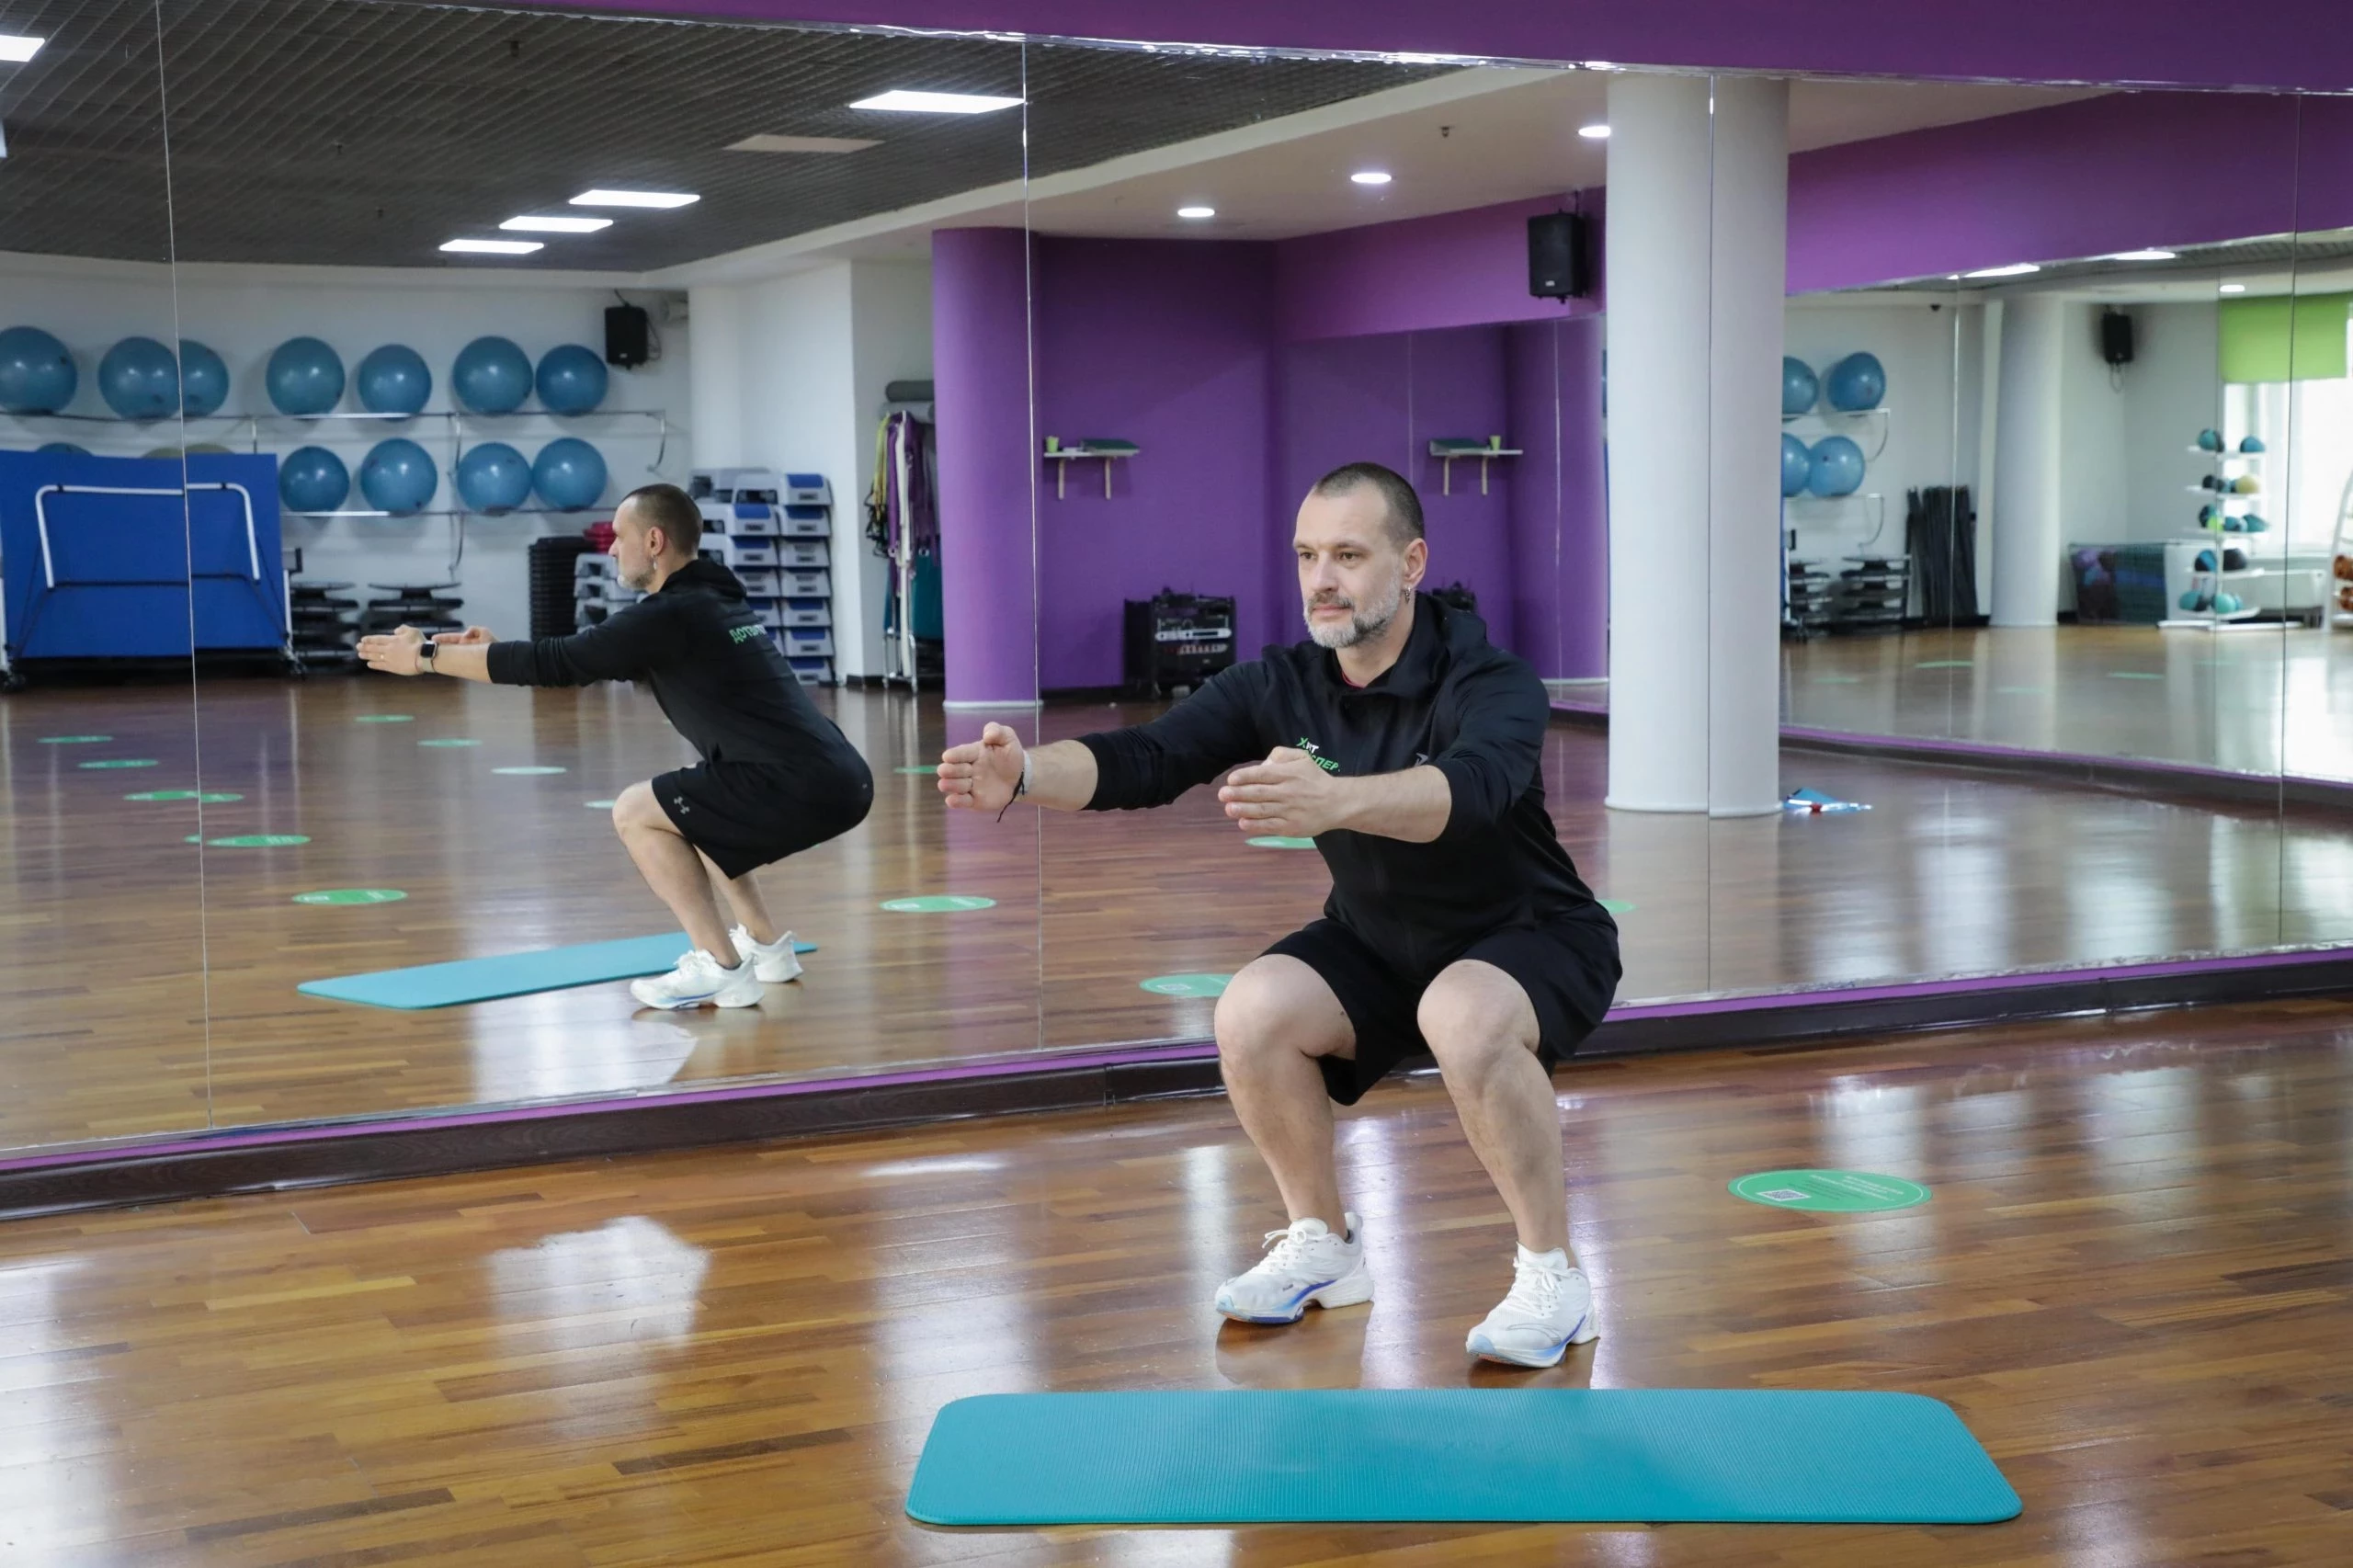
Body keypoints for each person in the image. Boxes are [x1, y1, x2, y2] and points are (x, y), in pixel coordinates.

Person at [936, 461, 1620, 1368]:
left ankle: (1552, 1274)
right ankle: (1322, 1245)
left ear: (1412, 562)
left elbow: (1471, 791)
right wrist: (1025, 773)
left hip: (1529, 933)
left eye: (1348, 555)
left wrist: (1335, 800)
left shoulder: (1491, 680)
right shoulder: (1282, 683)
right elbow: (1149, 756)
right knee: (1252, 1010)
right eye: (1306, 555)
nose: (1321, 579)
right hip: (1382, 940)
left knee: (1462, 1011)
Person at [358, 483, 873, 1010]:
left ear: (653, 541)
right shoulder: (710, 600)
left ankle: (721, 968)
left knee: (635, 811)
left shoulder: (668, 616)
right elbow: (571, 656)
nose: (611, 549)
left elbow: (556, 663)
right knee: (690, 805)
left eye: (620, 537)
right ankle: (766, 950)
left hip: (801, 783)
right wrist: (485, 652)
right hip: (840, 776)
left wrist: (424, 656)